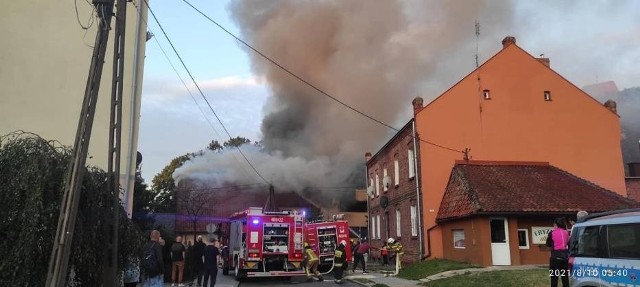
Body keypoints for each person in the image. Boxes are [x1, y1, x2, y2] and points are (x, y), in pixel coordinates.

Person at [546, 217, 570, 287]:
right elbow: (568, 243)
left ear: (556, 224)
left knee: (554, 278)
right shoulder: (567, 233)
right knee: (565, 278)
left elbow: (548, 244)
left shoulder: (552, 232)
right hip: (565, 258)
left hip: (555, 258)